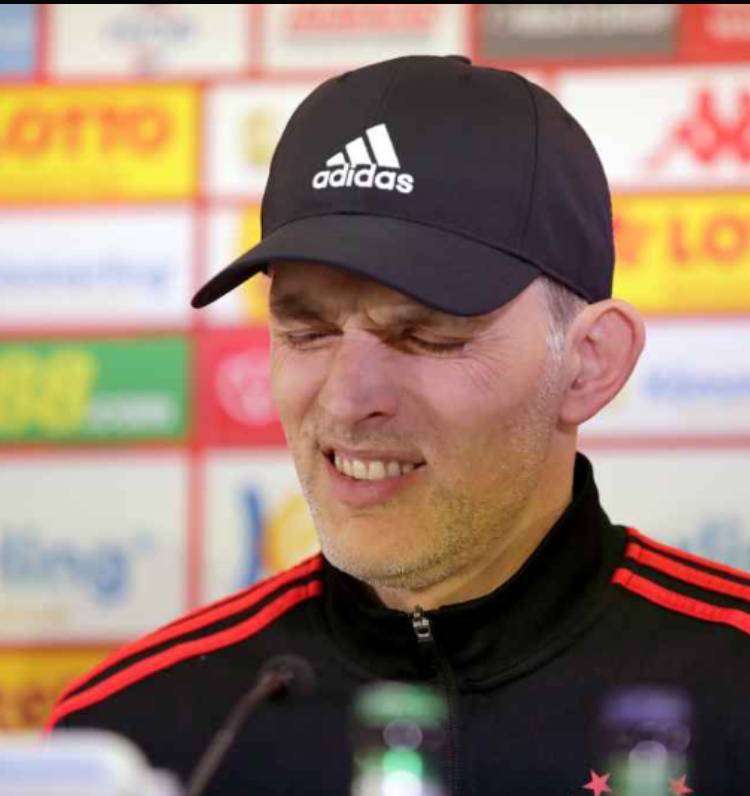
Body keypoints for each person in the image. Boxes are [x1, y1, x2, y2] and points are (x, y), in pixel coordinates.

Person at [48, 54, 750, 795]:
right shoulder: (137, 734)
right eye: (307, 331)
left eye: (425, 335)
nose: (347, 400)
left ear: (589, 364)